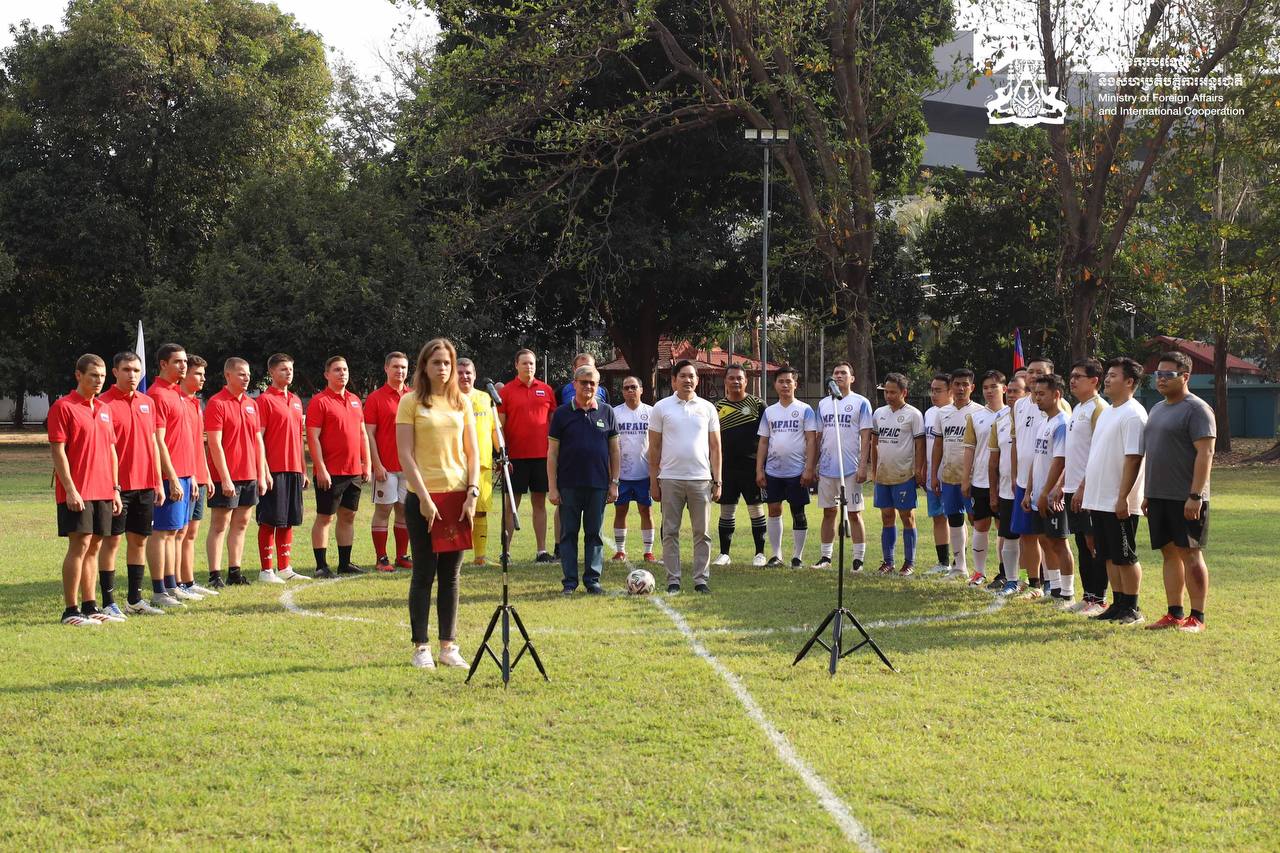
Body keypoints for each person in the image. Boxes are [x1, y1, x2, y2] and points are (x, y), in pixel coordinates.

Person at [396, 338, 480, 669]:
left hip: (457, 496)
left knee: (452, 576)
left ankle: (449, 646)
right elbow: (405, 454)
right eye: (436, 363)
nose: (443, 368)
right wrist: (425, 500)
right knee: (423, 573)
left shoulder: (462, 403)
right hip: (423, 498)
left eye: (447, 362)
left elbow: (473, 452)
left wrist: (472, 493)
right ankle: (421, 647)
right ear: (424, 367)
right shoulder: (411, 402)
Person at [98, 351, 177, 614]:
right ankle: (109, 603)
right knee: (112, 542)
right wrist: (112, 486)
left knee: (140, 541)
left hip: (145, 484)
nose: (132, 375)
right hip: (116, 487)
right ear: (115, 372)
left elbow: (154, 443)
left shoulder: (147, 402)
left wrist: (156, 481)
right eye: (127, 370)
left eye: (136, 370)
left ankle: (134, 600)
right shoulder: (103, 403)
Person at [1142, 351, 1216, 633]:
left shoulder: (1197, 409)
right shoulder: (1158, 409)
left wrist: (1195, 495)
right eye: (1158, 374)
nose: (1160, 379)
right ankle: (1174, 613)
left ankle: (1197, 617)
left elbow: (1206, 453)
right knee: (1169, 553)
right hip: (1159, 495)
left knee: (1191, 553)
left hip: (1187, 498)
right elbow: (1156, 453)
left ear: (1185, 377)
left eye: (1167, 374)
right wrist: (1149, 493)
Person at [48, 354, 122, 625]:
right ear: (78, 375)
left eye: (102, 376)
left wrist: (115, 489)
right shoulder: (63, 407)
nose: (98, 380)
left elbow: (112, 450)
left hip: (103, 489)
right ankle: (71, 610)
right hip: (78, 490)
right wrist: (70, 489)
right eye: (93, 375)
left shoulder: (104, 408)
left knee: (95, 547)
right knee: (79, 546)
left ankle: (91, 606)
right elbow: (58, 451)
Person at [1078, 357, 1148, 626]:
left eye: (1114, 376)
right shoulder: (1108, 411)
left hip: (1119, 501)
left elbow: (1133, 459)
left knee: (1125, 556)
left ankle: (1132, 607)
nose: (1107, 379)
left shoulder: (1133, 414)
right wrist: (1086, 489)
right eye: (1107, 375)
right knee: (1108, 555)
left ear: (1129, 382)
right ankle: (1118, 604)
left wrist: (1124, 497)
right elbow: (1096, 455)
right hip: (1100, 499)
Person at [649, 360, 722, 593]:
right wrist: (654, 480)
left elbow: (715, 447)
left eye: (692, 376)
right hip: (670, 478)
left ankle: (701, 580)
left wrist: (717, 479)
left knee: (703, 533)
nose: (688, 380)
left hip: (701, 479)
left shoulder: (708, 408)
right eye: (682, 376)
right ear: (673, 380)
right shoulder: (661, 408)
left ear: (697, 380)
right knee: (670, 531)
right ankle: (673, 580)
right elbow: (654, 448)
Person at [145, 343, 210, 607]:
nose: (184, 366)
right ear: (163, 364)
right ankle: (160, 590)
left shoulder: (179, 395)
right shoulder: (158, 395)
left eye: (185, 362)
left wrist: (191, 474)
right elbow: (158, 441)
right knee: (162, 532)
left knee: (175, 532)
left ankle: (173, 585)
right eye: (178, 362)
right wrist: (171, 477)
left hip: (185, 474)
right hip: (167, 476)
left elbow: (186, 442)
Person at [548, 365, 620, 594]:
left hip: (598, 484)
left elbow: (615, 451)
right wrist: (552, 486)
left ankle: (592, 581)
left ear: (598, 387)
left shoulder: (607, 411)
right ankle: (569, 582)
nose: (588, 386)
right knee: (568, 535)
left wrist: (614, 482)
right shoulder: (561, 413)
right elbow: (552, 453)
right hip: (568, 485)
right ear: (574, 384)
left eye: (593, 383)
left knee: (594, 535)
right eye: (584, 382)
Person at [205, 357, 271, 587]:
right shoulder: (217, 403)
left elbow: (257, 440)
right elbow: (214, 443)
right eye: (241, 374)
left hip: (249, 474)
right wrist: (224, 478)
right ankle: (215, 575)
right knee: (220, 525)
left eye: (248, 374)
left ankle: (235, 571)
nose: (247, 378)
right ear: (228, 376)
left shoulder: (252, 405)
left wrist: (261, 474)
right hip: (227, 476)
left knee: (242, 523)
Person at [307, 355, 372, 578]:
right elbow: (313, 437)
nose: (342, 373)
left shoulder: (355, 400)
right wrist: (321, 468)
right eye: (336, 370)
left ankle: (345, 563)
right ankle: (321, 566)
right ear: (327, 374)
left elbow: (363, 434)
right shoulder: (320, 401)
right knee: (325, 517)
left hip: (354, 470)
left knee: (348, 516)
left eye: (344, 369)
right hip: (331, 472)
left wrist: (367, 463)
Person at [1053, 359, 1107, 614]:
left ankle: (1099, 599)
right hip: (1073, 489)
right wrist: (1062, 484)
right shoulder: (1078, 408)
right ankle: (1088, 597)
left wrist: (1084, 487)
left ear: (1094, 380)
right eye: (1072, 375)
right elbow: (1074, 454)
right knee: (1081, 543)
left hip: (1090, 490)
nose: (1072, 380)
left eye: (1079, 376)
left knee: (1093, 543)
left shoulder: (1099, 409)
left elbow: (1098, 454)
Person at [255, 353, 311, 583]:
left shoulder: (296, 400)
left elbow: (299, 437)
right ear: (271, 373)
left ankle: (284, 567)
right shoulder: (264, 401)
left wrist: (303, 470)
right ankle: (266, 570)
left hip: (293, 469)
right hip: (273, 470)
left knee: (288, 519)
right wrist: (264, 469)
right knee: (270, 519)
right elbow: (259, 438)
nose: (288, 373)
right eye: (283, 369)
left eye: (290, 369)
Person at [498, 349, 558, 562]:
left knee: (539, 504)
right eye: (524, 363)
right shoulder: (506, 391)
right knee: (510, 504)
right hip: (515, 458)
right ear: (516, 365)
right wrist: (501, 453)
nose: (529, 367)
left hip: (542, 456)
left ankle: (541, 551)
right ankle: (505, 552)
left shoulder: (546, 389)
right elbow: (500, 426)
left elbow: (553, 423)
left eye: (531, 363)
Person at [756, 366, 818, 568]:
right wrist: (759, 469)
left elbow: (811, 440)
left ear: (795, 384)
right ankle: (776, 555)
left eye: (788, 381)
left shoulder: (805, 410)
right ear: (775, 385)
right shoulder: (769, 412)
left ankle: (797, 557)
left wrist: (809, 468)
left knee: (798, 512)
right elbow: (763, 442)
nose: (784, 385)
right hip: (773, 471)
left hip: (797, 471)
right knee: (774, 509)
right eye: (781, 381)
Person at [813, 362, 873, 570]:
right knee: (829, 512)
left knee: (854, 513)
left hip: (851, 467)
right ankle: (826, 557)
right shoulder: (823, 404)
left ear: (852, 378)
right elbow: (819, 435)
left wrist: (864, 466)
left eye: (843, 373)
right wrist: (814, 464)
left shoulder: (861, 402)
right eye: (836, 373)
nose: (838, 376)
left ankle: (858, 560)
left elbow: (866, 437)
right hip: (828, 466)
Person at [1022, 374, 1076, 605]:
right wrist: (1029, 491)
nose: (1037, 398)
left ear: (1057, 395)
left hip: (1052, 497)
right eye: (1035, 393)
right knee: (1044, 541)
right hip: (1037, 495)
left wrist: (1047, 492)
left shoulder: (1063, 423)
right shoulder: (1043, 422)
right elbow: (1037, 460)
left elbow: (1060, 461)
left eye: (1042, 394)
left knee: (1059, 543)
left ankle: (1068, 593)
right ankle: (1053, 590)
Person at [929, 368, 984, 580]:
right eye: (957, 384)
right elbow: (937, 446)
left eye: (965, 384)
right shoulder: (942, 413)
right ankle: (959, 566)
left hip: (973, 477)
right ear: (951, 387)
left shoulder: (980, 412)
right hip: (949, 476)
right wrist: (934, 474)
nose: (961, 388)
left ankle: (982, 569)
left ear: (972, 387)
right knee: (953, 518)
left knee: (976, 520)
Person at [1009, 358, 1058, 594]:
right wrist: (1015, 476)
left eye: (1040, 372)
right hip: (1023, 481)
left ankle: (1052, 583)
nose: (1033, 375)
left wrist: (1054, 486)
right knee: (1026, 534)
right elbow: (1017, 441)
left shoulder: (1058, 407)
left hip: (1045, 482)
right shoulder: (1019, 405)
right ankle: (1033, 582)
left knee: (1048, 537)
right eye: (1030, 371)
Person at [870, 373, 925, 576]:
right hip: (884, 475)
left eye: (893, 392)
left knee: (907, 516)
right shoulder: (879, 414)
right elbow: (874, 444)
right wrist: (874, 471)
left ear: (904, 392)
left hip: (904, 475)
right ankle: (888, 561)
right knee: (886, 516)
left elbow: (920, 446)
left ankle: (909, 562)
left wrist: (918, 470)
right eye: (886, 391)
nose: (889, 395)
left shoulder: (914, 415)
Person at [712, 364, 767, 567]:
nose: (736, 381)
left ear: (746, 381)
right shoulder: (716, 408)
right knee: (726, 510)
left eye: (739, 378)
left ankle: (759, 553)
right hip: (726, 468)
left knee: (755, 509)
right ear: (725, 381)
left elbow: (766, 437)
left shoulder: (758, 405)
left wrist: (762, 467)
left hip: (752, 467)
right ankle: (724, 554)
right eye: (731, 378)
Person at [365, 352, 412, 572]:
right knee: (383, 511)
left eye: (403, 367)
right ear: (386, 368)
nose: (400, 371)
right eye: (395, 367)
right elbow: (369, 434)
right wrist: (377, 463)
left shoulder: (413, 396)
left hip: (408, 467)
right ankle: (381, 557)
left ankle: (402, 555)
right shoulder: (376, 398)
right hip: (386, 467)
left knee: (404, 510)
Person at [960, 370, 1007, 586]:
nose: (989, 391)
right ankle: (978, 572)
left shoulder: (1012, 415)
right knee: (980, 525)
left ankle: (1006, 573)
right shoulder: (976, 417)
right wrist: (965, 478)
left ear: (1004, 389)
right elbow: (969, 450)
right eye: (986, 387)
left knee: (1004, 528)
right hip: (980, 481)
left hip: (1005, 483)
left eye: (993, 387)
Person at [988, 375, 1027, 595]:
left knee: (1033, 538)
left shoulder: (1036, 418)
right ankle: (1011, 580)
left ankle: (1041, 581)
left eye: (1016, 391)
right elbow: (993, 461)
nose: (1011, 395)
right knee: (1009, 535)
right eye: (1009, 391)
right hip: (1006, 490)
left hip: (1029, 487)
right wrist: (993, 492)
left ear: (1026, 394)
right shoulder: (1000, 421)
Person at [457, 358, 498, 566]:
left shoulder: (485, 398)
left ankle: (480, 557)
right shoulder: (448, 398)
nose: (464, 376)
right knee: (456, 511)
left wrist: (502, 453)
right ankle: (455, 556)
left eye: (468, 372)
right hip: (455, 465)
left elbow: (494, 430)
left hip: (482, 464)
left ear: (475, 375)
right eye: (460, 372)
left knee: (480, 510)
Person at [611, 375, 656, 562]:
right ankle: (620, 550)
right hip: (621, 474)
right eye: (626, 387)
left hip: (644, 473)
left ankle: (648, 551)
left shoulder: (652, 412)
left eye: (633, 387)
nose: (630, 390)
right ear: (622, 391)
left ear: (641, 390)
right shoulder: (614, 413)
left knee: (646, 511)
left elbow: (657, 444)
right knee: (620, 510)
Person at [180, 356, 216, 589]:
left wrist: (207, 475)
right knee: (180, 533)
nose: (203, 378)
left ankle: (189, 581)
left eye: (204, 374)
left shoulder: (195, 403)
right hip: (186, 476)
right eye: (198, 374)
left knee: (192, 532)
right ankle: (178, 583)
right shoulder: (179, 401)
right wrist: (191, 474)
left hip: (200, 477)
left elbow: (198, 443)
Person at [922, 373, 952, 573]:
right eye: (932, 390)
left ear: (950, 391)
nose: (934, 394)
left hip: (953, 475)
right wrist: (926, 470)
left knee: (956, 517)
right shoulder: (929, 413)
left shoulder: (958, 413)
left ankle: (960, 561)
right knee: (938, 517)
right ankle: (943, 562)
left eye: (938, 390)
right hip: (933, 476)